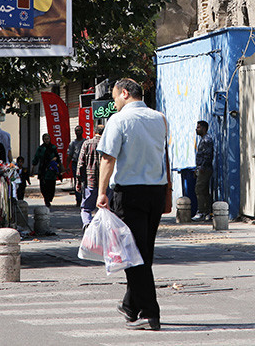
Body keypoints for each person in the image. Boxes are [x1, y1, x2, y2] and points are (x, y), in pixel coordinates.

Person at [97, 79, 168, 332]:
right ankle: (130, 306)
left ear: (125, 94)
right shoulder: (160, 118)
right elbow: (163, 154)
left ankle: (151, 311)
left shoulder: (119, 120)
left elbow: (107, 158)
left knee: (132, 255)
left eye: (115, 97)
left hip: (129, 194)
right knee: (143, 252)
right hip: (156, 193)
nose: (114, 103)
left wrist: (102, 192)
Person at [78, 124, 106, 228]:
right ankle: (100, 226)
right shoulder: (108, 143)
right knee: (104, 207)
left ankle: (88, 223)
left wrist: (78, 181)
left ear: (95, 132)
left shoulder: (87, 143)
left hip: (90, 181)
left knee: (86, 208)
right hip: (106, 181)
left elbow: (80, 164)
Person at [192, 120, 213, 222]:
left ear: (204, 129)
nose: (196, 129)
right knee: (204, 190)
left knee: (199, 189)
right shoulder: (204, 139)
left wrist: (202, 168)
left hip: (204, 169)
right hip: (202, 168)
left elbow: (208, 155)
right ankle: (207, 212)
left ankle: (201, 212)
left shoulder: (206, 140)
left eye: (198, 127)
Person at [32, 133, 60, 208]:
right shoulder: (40, 148)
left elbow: (57, 157)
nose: (46, 140)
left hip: (51, 170)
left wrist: (56, 162)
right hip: (43, 169)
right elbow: (36, 158)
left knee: (51, 186)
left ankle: (50, 198)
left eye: (48, 138)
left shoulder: (53, 147)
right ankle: (46, 200)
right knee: (43, 186)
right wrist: (33, 167)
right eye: (45, 139)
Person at [67, 125, 86, 207]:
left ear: (82, 131)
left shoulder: (85, 142)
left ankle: (85, 199)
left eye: (79, 130)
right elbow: (69, 155)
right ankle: (78, 199)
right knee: (77, 181)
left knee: (85, 181)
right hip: (75, 163)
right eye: (77, 131)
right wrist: (67, 166)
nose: (78, 132)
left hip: (85, 164)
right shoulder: (73, 143)